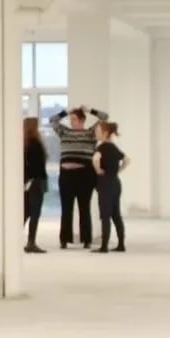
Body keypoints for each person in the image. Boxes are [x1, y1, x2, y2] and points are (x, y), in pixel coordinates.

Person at [51, 104, 107, 249]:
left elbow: (104, 117)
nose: (71, 122)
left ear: (82, 120)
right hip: (66, 176)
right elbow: (52, 120)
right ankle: (64, 239)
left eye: (74, 119)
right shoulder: (64, 132)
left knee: (84, 208)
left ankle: (86, 239)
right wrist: (66, 112)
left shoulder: (90, 133)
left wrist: (90, 110)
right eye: (71, 119)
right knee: (66, 209)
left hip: (84, 176)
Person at [93, 120, 127, 253]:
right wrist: (118, 171)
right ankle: (121, 244)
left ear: (105, 133)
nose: (96, 134)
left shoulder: (101, 147)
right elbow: (127, 160)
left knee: (105, 215)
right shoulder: (114, 147)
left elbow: (95, 159)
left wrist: (98, 170)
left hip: (105, 183)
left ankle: (104, 246)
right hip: (115, 182)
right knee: (116, 214)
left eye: (98, 131)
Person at [23, 117, 48, 253]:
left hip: (28, 181)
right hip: (36, 181)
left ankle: (17, 240)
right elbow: (37, 165)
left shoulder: (24, 143)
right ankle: (31, 242)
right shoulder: (35, 143)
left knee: (26, 212)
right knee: (34, 213)